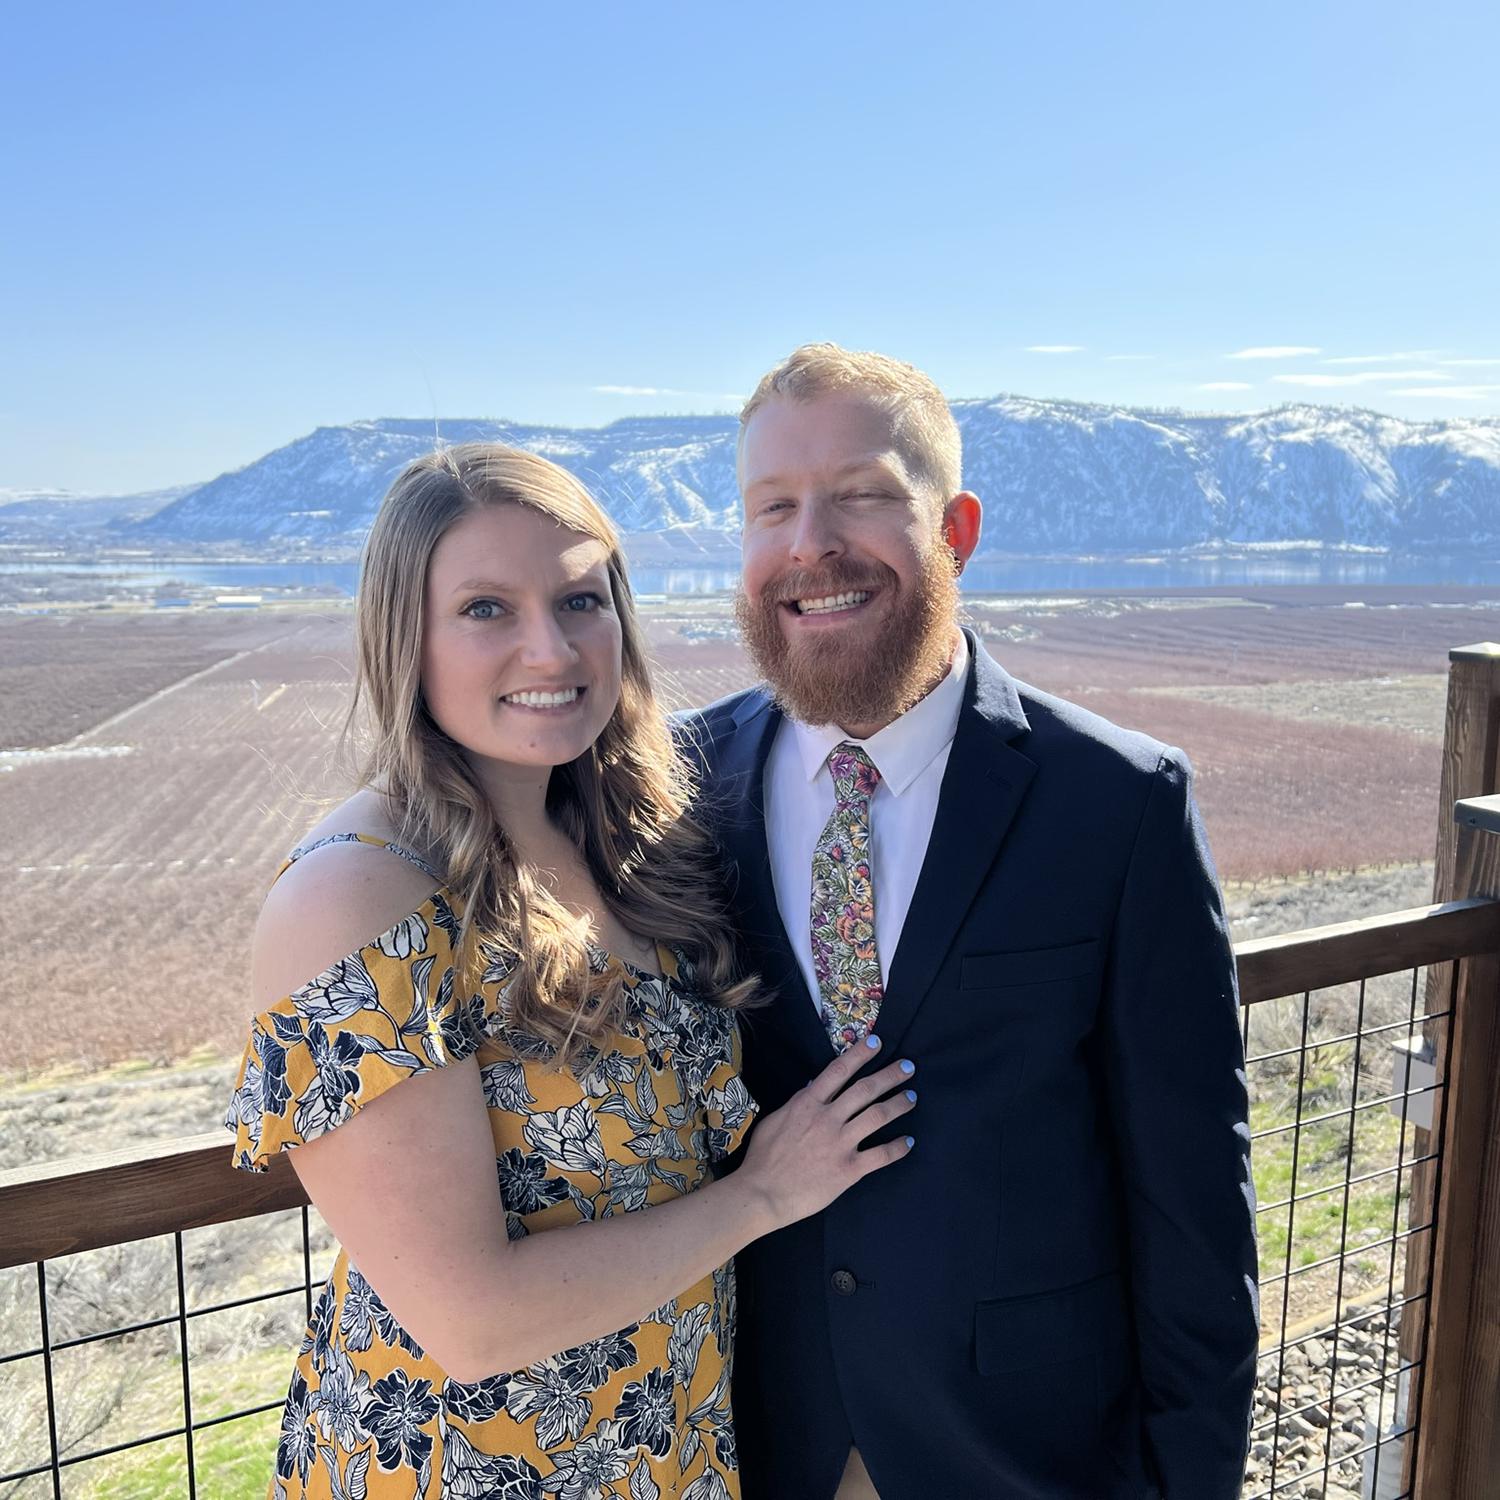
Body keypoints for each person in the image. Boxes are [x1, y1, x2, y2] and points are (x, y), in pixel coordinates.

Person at [223, 443, 919, 1500]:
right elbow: (469, 1318)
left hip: (664, 1452)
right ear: (405, 637)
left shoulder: (622, 837)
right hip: (470, 1473)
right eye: (486, 609)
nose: (550, 648)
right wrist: (767, 1193)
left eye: (580, 600)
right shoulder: (358, 894)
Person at [681, 345, 1260, 1499]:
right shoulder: (677, 791)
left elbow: (1193, 1202)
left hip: (1024, 1455)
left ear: (956, 529)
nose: (810, 545)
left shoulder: (1119, 803)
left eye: (861, 494)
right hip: (752, 1440)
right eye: (772, 507)